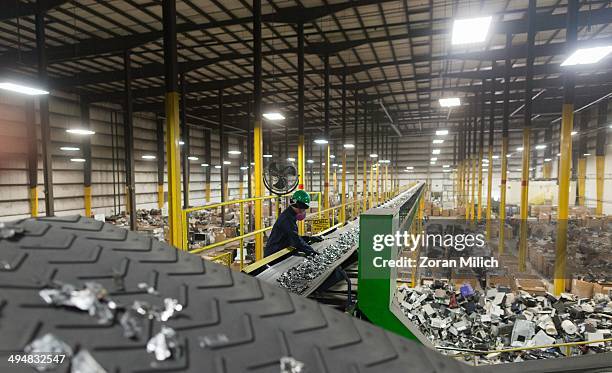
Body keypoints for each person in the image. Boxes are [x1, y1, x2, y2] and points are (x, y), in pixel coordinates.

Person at [264, 190, 323, 257]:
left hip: (281, 249)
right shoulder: (287, 219)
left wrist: (309, 238)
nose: (304, 211)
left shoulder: (291, 215)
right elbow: (295, 240)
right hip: (273, 255)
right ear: (300, 205)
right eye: (304, 208)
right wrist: (310, 251)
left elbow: (292, 236)